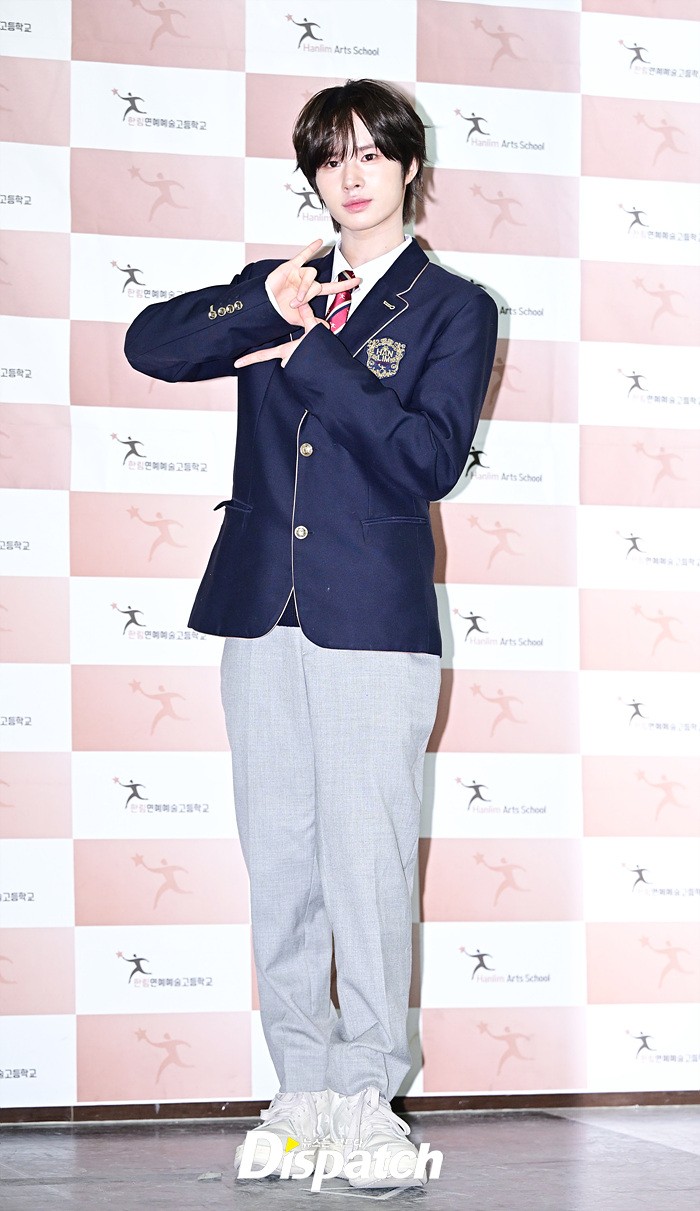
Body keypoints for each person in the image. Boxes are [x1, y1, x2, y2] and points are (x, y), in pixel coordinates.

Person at [125, 78, 497, 1189]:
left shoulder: (453, 306)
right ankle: (300, 1091)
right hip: (260, 608)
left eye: (372, 154)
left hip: (372, 619)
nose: (352, 175)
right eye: (332, 157)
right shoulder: (282, 288)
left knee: (366, 860)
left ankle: (367, 1098)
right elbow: (151, 344)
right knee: (280, 856)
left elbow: (428, 459)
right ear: (312, 177)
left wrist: (309, 356)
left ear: (410, 167)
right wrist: (263, 308)